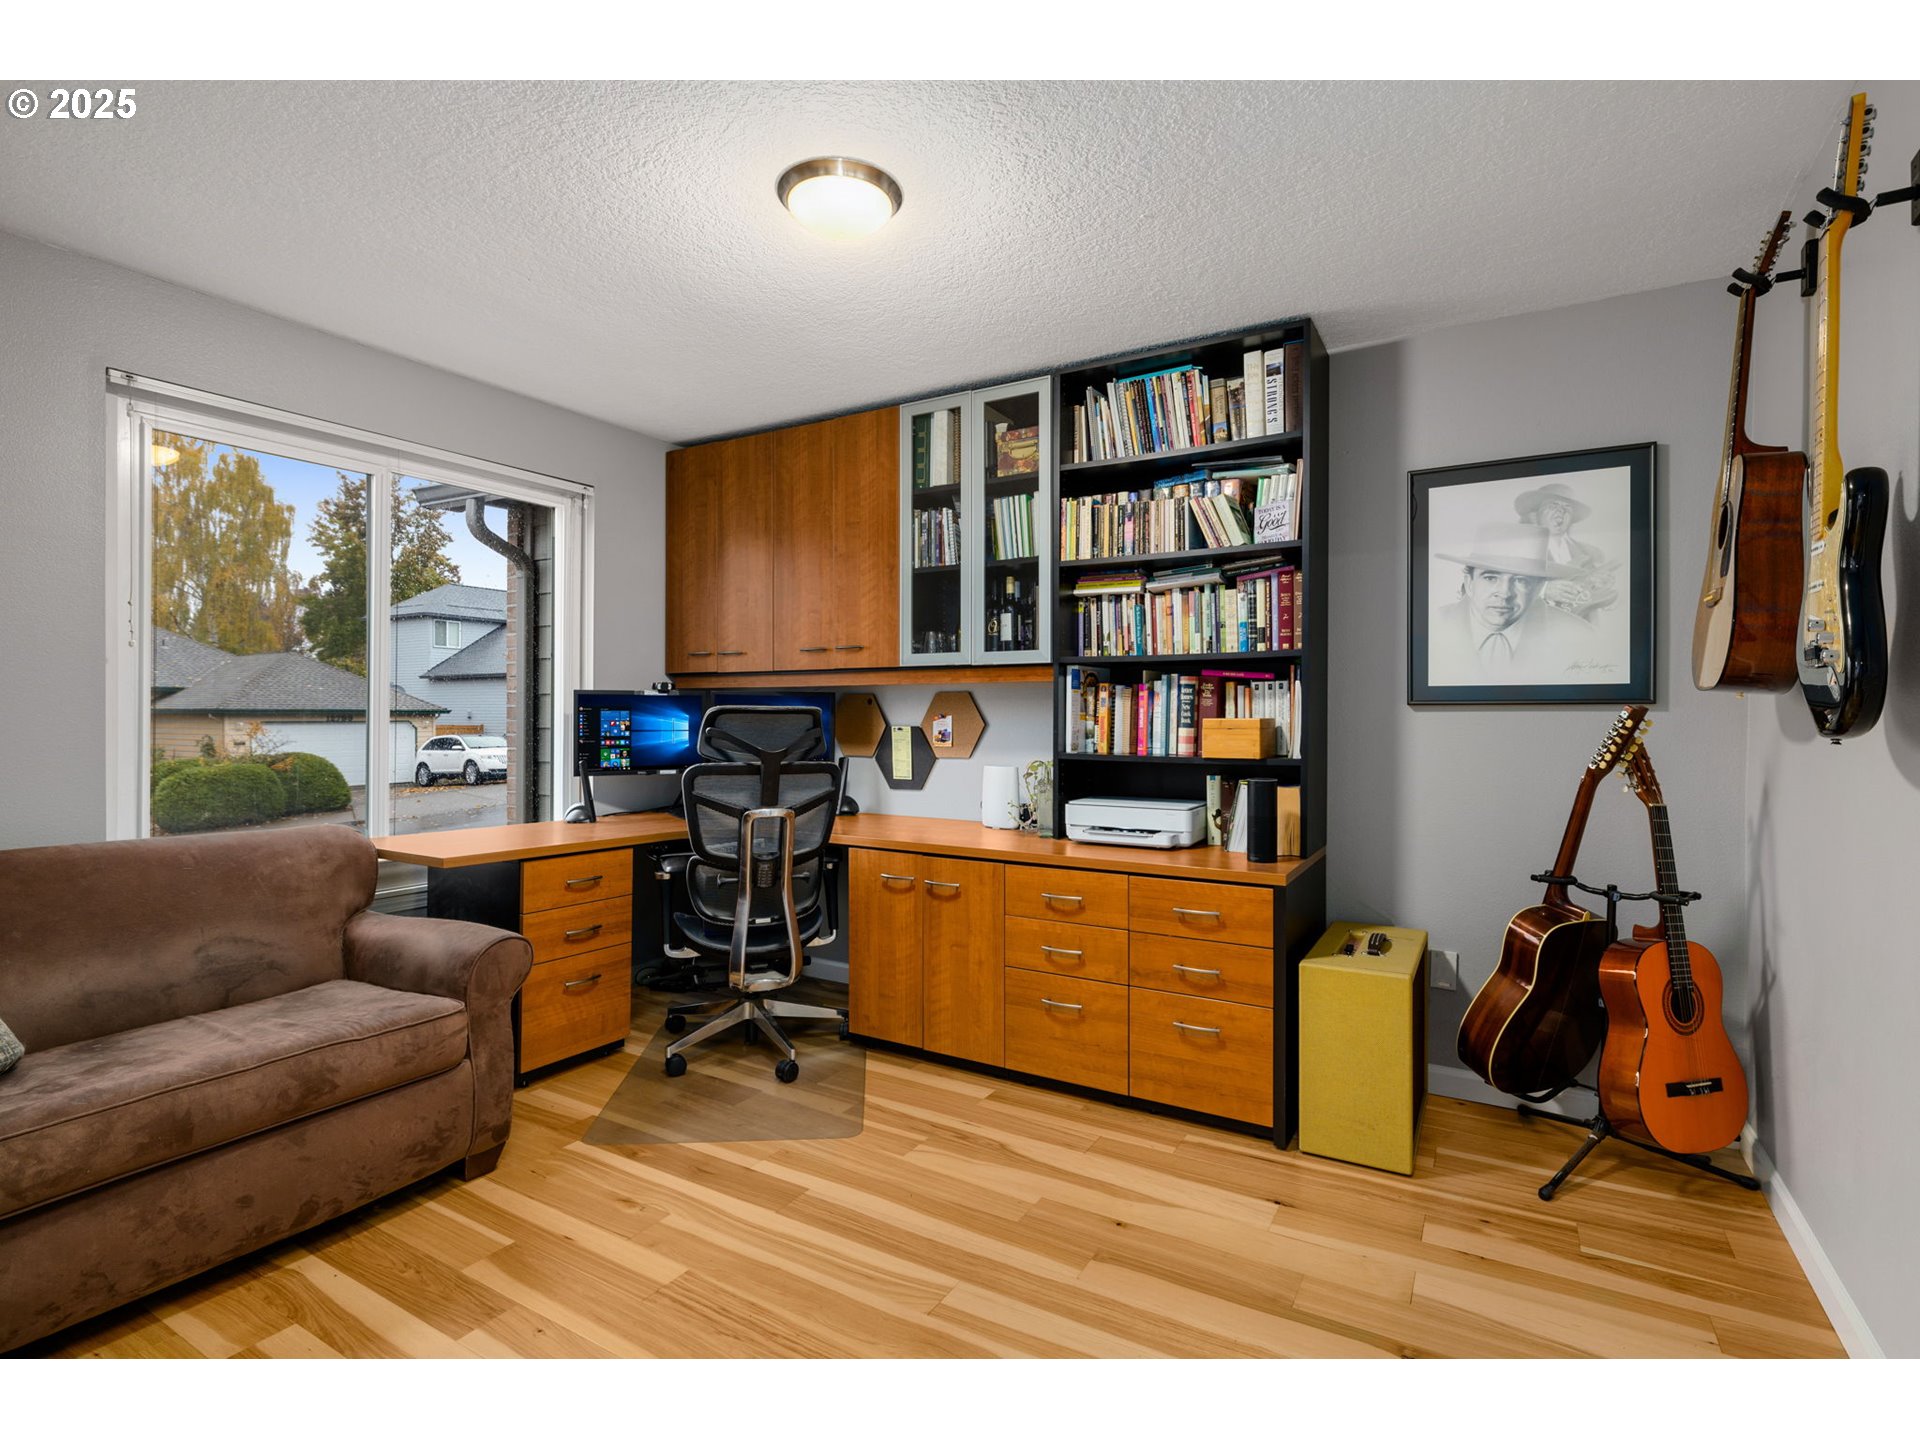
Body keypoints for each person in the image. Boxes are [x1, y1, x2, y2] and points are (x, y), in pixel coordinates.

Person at [1428, 522, 1600, 684]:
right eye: (1490, 578)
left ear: (1537, 588)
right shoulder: (1432, 627)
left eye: (1521, 580)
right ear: (1469, 582)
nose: (1504, 593)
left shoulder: (1578, 636)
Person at [1514, 480, 1618, 621]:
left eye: (1567, 508)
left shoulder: (1592, 553)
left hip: (1582, 633)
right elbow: (1503, 591)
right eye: (1553, 505)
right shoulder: (1516, 550)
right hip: (1536, 632)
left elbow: (1608, 606)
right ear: (1534, 515)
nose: (1561, 512)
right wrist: (1544, 590)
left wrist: (1602, 590)